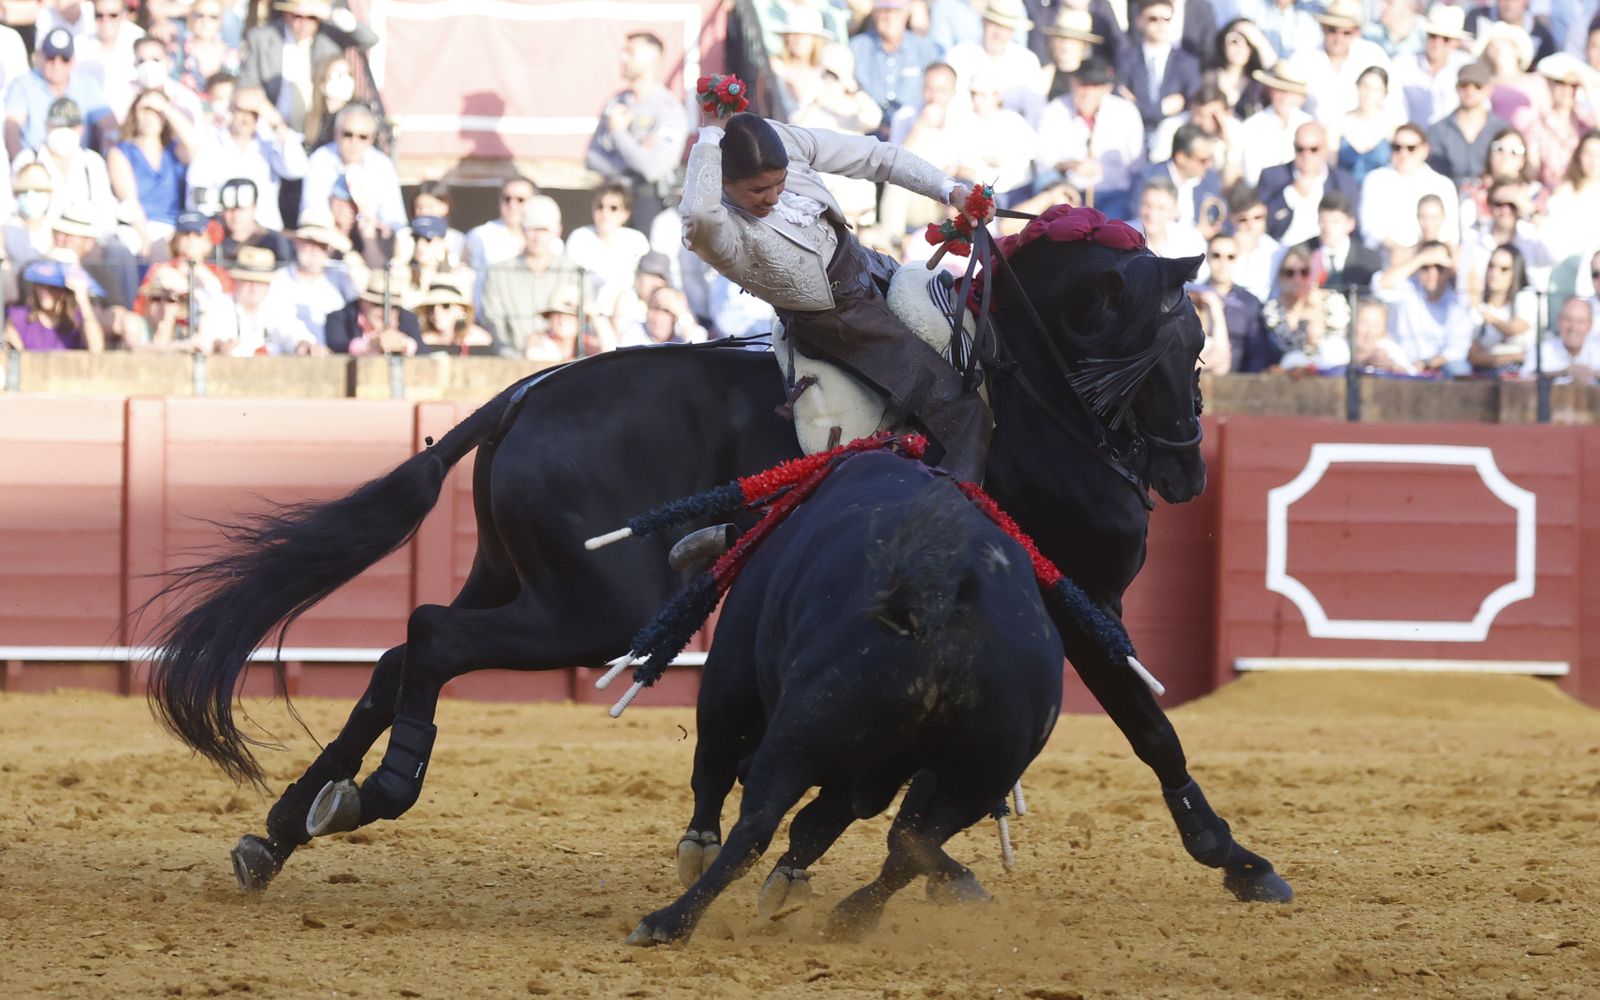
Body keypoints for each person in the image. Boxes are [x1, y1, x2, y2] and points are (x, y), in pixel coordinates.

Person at [681, 110, 992, 481]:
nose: (773, 197)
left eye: (779, 183)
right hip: (844, 325)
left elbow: (876, 157)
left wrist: (949, 190)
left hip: (876, 268)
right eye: (758, 190)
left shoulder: (783, 142)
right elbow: (698, 214)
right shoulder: (715, 230)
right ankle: (955, 513)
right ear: (723, 180)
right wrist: (709, 136)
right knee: (965, 413)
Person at [585, 31, 688, 227]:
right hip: (613, 202)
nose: (623, 58)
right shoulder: (616, 102)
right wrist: (636, 154)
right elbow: (592, 157)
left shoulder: (668, 109)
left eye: (630, 52)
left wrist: (618, 133)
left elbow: (652, 168)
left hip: (648, 203)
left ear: (651, 57)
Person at [237, 0, 378, 133]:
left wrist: (332, 13)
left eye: (311, 18)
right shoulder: (262, 37)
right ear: (287, 14)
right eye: (298, 16)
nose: (304, 23)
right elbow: (246, 87)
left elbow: (370, 40)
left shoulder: (329, 37)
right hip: (274, 127)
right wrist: (276, 121)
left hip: (321, 129)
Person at [184, 84, 306, 230]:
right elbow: (194, 198)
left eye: (254, 113)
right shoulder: (210, 145)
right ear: (230, 110)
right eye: (241, 111)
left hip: (265, 231)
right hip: (223, 230)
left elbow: (298, 170)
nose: (246, 119)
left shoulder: (270, 144)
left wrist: (276, 121)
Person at [480, 193, 589, 358]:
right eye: (531, 229)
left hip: (563, 365)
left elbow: (584, 327)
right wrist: (519, 361)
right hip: (511, 364)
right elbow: (495, 327)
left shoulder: (575, 273)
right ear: (522, 230)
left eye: (543, 230)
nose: (537, 237)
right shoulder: (498, 273)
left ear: (558, 231)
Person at [1033, 57, 1144, 219]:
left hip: (1115, 193)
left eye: (1095, 86)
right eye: (1083, 85)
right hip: (1070, 192)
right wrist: (1072, 165)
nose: (1087, 93)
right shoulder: (1054, 111)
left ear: (1106, 88)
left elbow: (1136, 166)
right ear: (1072, 83)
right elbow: (1043, 162)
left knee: (1112, 227)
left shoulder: (1126, 112)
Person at [107, 87, 197, 254]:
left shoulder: (174, 151)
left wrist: (166, 108)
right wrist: (145, 237)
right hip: (137, 228)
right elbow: (130, 201)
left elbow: (194, 144)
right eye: (144, 110)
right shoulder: (121, 152)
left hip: (174, 228)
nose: (150, 117)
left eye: (156, 112)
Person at [13, 97, 116, 238]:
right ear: (46, 125)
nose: (63, 131)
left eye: (70, 126)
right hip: (36, 239)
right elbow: (13, 208)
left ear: (81, 129)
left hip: (83, 240)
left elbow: (107, 214)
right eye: (57, 126)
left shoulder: (93, 162)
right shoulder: (27, 159)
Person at [4, 27, 113, 159]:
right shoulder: (22, 84)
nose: (57, 63)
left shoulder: (87, 85)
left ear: (73, 60)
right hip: (36, 162)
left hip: (79, 162)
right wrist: (20, 162)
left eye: (64, 59)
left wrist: (109, 154)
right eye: (51, 57)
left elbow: (109, 125)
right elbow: (12, 127)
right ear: (40, 56)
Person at [301, 102, 405, 235]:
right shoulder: (320, 160)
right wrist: (333, 215)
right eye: (348, 134)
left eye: (362, 137)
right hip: (329, 235)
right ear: (336, 133)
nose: (354, 142)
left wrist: (372, 222)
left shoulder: (382, 165)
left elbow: (395, 220)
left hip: (371, 238)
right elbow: (310, 212)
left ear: (371, 139)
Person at [1283, 0, 1395, 124]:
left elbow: (1393, 103)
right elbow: (1287, 105)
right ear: (1323, 27)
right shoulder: (1303, 58)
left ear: (1356, 32)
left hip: (1363, 131)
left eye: (1346, 32)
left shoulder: (1373, 55)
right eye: (1332, 30)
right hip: (1314, 131)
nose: (1338, 38)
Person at [1374, 240, 1474, 376]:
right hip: (1399, 365)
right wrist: (1421, 258)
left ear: (1449, 271)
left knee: (1459, 369)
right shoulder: (1407, 289)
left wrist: (1425, 365)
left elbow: (1456, 351)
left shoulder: (1457, 302)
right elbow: (1380, 286)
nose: (1432, 273)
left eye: (1439, 267)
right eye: (1425, 267)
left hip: (1437, 368)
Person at [1359, 121, 1459, 256]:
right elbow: (1371, 230)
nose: (1403, 153)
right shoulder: (1375, 180)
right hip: (1387, 258)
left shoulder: (1443, 185)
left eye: (1411, 148)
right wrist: (1400, 252)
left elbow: (1450, 233)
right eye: (1397, 147)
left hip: (1432, 258)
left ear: (1425, 149)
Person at [1257, 121, 1361, 246]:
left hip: (1326, 250)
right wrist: (1290, 194)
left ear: (1326, 149)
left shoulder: (1343, 182)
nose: (1306, 155)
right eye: (1300, 149)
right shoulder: (1273, 177)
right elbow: (1260, 224)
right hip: (1280, 250)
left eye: (1314, 149)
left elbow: (1353, 227)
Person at [849, 0, 940, 135]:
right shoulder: (857, 47)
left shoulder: (926, 49)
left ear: (907, 13)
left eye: (896, 11)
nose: (890, 17)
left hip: (913, 131)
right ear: (874, 13)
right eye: (884, 11)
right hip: (867, 130)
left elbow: (939, 92)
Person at [210, 244, 315, 355]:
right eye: (248, 280)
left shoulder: (277, 307)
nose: (254, 287)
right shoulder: (220, 305)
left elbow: (293, 331)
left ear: (268, 285)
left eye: (260, 282)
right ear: (237, 281)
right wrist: (219, 346)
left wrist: (303, 344)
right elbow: (210, 336)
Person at [270, 213, 354, 349]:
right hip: (290, 357)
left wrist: (348, 251)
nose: (314, 250)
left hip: (337, 357)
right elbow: (278, 322)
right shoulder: (280, 279)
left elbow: (366, 293)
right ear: (297, 243)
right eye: (309, 243)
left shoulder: (341, 276)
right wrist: (302, 344)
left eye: (322, 245)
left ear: (330, 249)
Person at [1115, 0, 1200, 134]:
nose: (1161, 24)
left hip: (1173, 135)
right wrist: (1161, 108)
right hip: (1132, 132)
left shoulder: (1188, 63)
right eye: (1153, 19)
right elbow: (1120, 103)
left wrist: (1137, 105)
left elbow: (1193, 104)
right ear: (1139, 21)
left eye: (1166, 19)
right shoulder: (1125, 60)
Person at [1262, 244, 1350, 370]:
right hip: (1291, 371)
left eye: (1304, 272)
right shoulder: (1273, 309)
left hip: (1331, 369)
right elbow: (1285, 346)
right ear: (1281, 276)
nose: (1297, 279)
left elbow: (1340, 341)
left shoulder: (1332, 300)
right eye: (1290, 273)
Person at [944, 0, 1041, 114]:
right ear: (984, 22)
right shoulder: (958, 56)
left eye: (1006, 28)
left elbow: (1035, 111)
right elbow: (949, 106)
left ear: (1013, 31)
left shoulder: (1027, 61)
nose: (999, 33)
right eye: (995, 24)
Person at [1198, 230, 1276, 371]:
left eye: (1230, 257)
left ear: (1237, 259)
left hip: (1239, 380)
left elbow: (1258, 354)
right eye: (1216, 255)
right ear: (1207, 256)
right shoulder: (1191, 297)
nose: (1223, 263)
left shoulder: (1250, 302)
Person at [1518, 53, 1596, 192]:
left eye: (1573, 86)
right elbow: (1532, 169)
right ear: (1550, 86)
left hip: (1583, 191)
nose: (1567, 91)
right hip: (1550, 193)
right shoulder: (1537, 127)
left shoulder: (1585, 123)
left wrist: (1588, 87)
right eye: (1560, 84)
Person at [562, 182, 652, 299]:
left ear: (625, 214)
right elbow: (568, 280)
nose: (605, 213)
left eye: (613, 208)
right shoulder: (579, 238)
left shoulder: (637, 240)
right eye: (599, 207)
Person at [1425, 60, 1508, 183]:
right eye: (1464, 85)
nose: (1470, 91)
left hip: (1491, 192)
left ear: (1488, 89)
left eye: (1477, 86)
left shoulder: (1502, 130)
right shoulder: (1437, 131)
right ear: (1456, 87)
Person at [465, 175, 538, 309]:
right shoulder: (480, 236)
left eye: (520, 200)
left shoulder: (550, 242)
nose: (512, 205)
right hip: (489, 316)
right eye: (507, 198)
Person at [1393, 5, 1472, 127]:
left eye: (1446, 39)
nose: (1437, 43)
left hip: (1451, 135)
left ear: (1456, 43)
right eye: (1433, 36)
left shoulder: (1466, 65)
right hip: (1411, 135)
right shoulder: (1403, 63)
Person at [1136, 122, 1222, 233]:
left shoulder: (1210, 178)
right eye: (1203, 160)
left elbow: (1220, 218)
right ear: (1181, 158)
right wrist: (1196, 235)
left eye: (1210, 158)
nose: (1209, 165)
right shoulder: (1149, 177)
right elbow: (1139, 219)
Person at [1288, 190, 1380, 291]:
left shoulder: (1369, 259)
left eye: (1335, 222)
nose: (1328, 228)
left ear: (1350, 224)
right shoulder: (1300, 253)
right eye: (1323, 221)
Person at [4, 257, 104, 351]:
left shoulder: (77, 319)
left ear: (66, 292)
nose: (44, 292)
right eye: (40, 285)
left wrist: (83, 300)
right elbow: (14, 357)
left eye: (52, 287)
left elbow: (97, 349)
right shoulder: (20, 317)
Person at [1236, 64, 1311, 187]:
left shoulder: (1309, 125)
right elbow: (1250, 175)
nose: (1285, 97)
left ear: (1302, 98)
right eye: (1280, 90)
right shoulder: (1252, 126)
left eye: (1291, 92)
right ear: (1270, 91)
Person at [1467, 243, 1536, 376]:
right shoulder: (1481, 308)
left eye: (1504, 269)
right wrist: (1517, 355)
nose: (1494, 273)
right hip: (1489, 374)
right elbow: (1474, 357)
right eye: (1491, 266)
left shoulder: (1526, 297)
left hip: (1523, 373)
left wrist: (1486, 315)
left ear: (1516, 272)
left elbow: (1513, 329)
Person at [1329, 65, 1403, 186]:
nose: (1368, 94)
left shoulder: (1393, 126)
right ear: (1357, 86)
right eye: (1365, 86)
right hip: (1344, 191)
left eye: (1376, 89)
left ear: (1384, 93)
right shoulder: (1338, 123)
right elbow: (1331, 168)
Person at [326, 267, 423, 355]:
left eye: (393, 306)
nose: (385, 312)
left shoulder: (407, 318)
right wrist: (370, 345)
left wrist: (404, 343)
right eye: (378, 305)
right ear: (363, 302)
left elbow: (422, 350)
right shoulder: (341, 317)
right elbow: (337, 345)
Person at [1540, 129, 1600, 262]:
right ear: (1579, 156)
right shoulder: (1565, 191)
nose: (1594, 160)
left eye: (1598, 154)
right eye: (1588, 153)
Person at [1207, 17, 1275, 119]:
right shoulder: (1208, 77)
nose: (1240, 47)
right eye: (1234, 41)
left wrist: (1258, 39)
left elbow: (1274, 69)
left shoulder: (1258, 85)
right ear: (1223, 44)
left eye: (1248, 42)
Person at [214, 176, 294, 264]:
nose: (235, 215)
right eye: (230, 210)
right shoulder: (214, 239)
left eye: (242, 210)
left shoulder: (274, 241)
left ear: (254, 208)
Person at [1522, 294, 1600, 381]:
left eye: (1580, 322)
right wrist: (1562, 372)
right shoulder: (1541, 350)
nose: (1573, 327)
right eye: (1568, 319)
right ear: (1559, 321)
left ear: (1590, 325)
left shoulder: (1597, 351)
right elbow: (1525, 379)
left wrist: (1593, 374)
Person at [1225, 183, 1280, 301]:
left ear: (1265, 212)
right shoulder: (1221, 247)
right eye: (1243, 219)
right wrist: (1241, 252)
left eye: (1257, 217)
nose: (1251, 225)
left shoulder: (1276, 250)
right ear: (1232, 219)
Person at [415, 280, 498, 356]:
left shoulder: (479, 339)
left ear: (462, 311)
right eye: (431, 307)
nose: (436, 312)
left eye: (446, 306)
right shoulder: (421, 341)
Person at [301, 54, 359, 152]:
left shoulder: (357, 114)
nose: (346, 80)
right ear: (322, 84)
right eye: (338, 75)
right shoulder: (313, 119)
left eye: (349, 74)